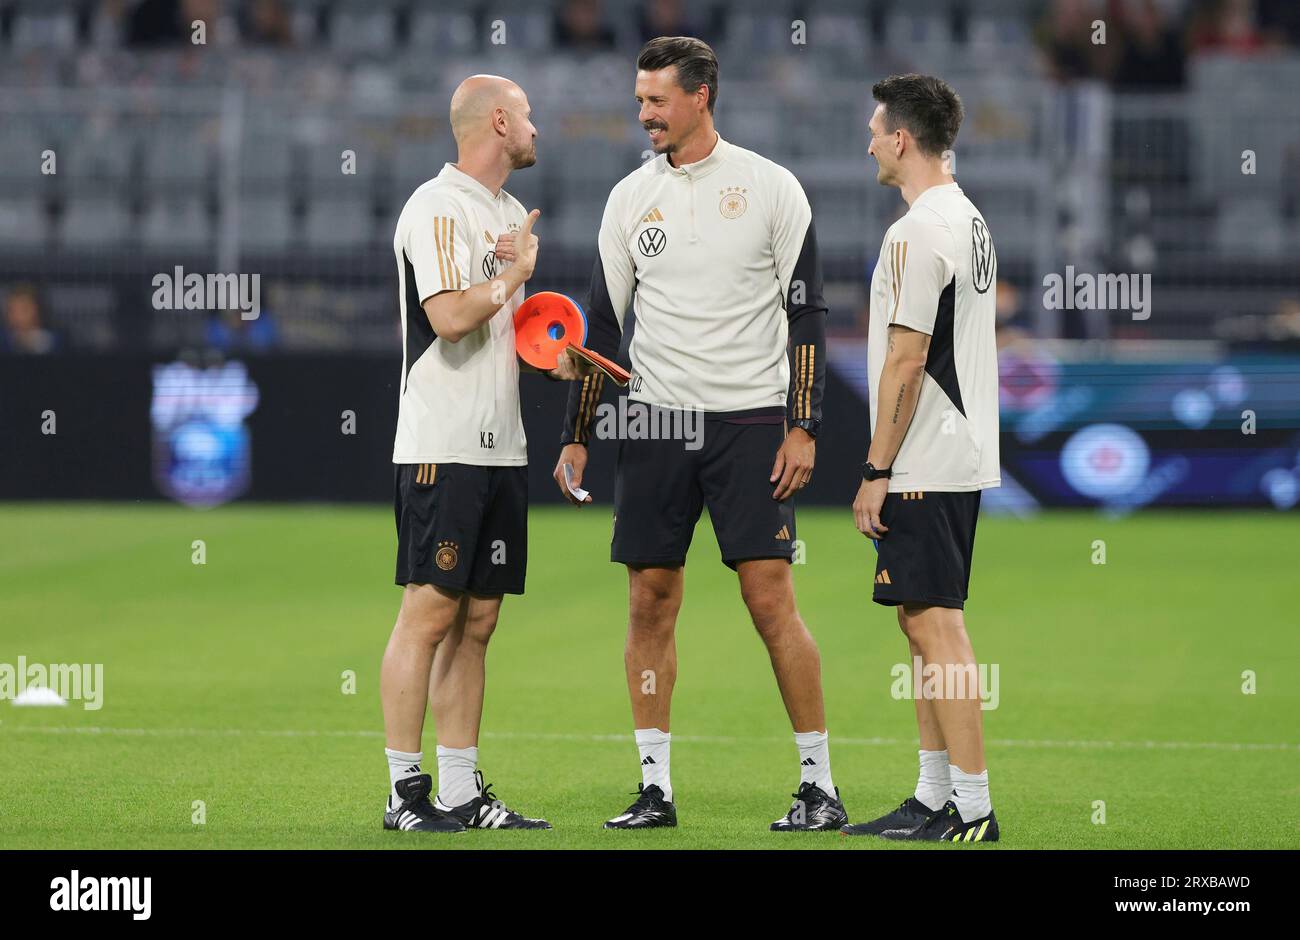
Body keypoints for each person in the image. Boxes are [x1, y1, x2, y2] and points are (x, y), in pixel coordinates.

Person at [553, 37, 846, 831]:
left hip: (751, 419)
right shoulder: (627, 198)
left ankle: (819, 785)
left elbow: (807, 312)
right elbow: (600, 328)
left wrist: (804, 424)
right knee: (650, 601)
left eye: (656, 99)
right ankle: (655, 787)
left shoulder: (771, 187)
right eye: (640, 98)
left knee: (769, 598)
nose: (643, 113)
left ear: (701, 94)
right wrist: (578, 433)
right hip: (653, 420)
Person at [382, 74, 587, 834]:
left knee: (479, 619)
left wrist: (555, 352)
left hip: (501, 448)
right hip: (443, 443)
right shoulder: (437, 206)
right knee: (429, 613)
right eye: (529, 115)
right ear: (499, 121)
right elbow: (447, 318)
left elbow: (500, 322)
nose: (537, 128)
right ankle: (405, 794)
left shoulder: (504, 213)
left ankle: (463, 791)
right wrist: (511, 277)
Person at [842, 74, 1002, 842]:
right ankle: (934, 796)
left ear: (901, 139)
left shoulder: (914, 231)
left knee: (936, 625)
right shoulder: (966, 218)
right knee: (920, 621)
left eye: (877, 131)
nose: (870, 142)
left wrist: (876, 470)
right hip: (953, 449)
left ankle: (971, 806)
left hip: (926, 457)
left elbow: (907, 361)